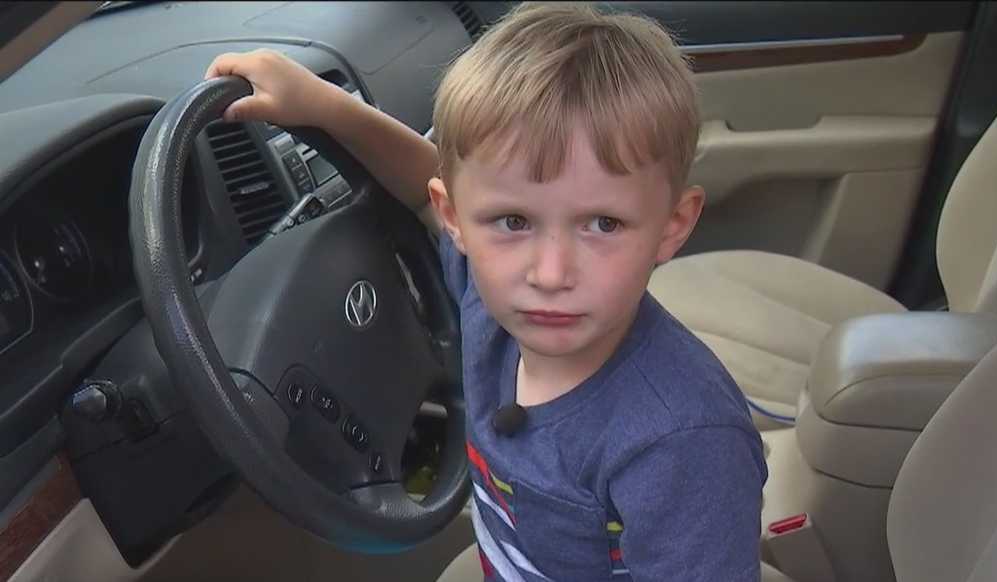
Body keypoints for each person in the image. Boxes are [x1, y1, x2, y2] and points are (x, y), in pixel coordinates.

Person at [205, 3, 767, 580]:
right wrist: (328, 110)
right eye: (514, 222)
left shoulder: (683, 445)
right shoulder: (488, 298)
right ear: (458, 219)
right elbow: (425, 190)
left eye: (603, 224)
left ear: (673, 224)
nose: (549, 274)